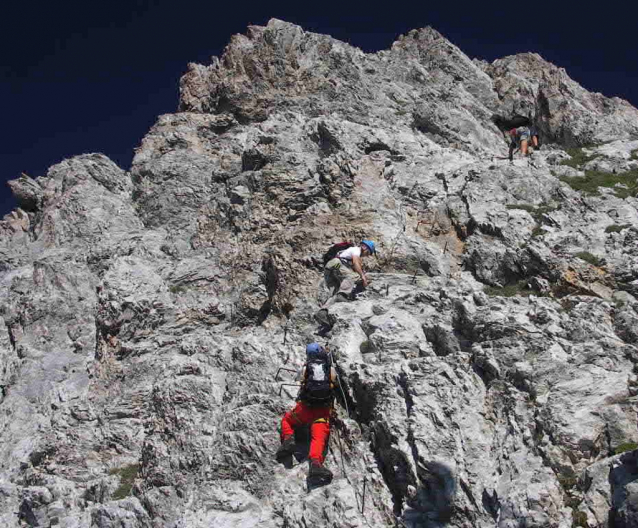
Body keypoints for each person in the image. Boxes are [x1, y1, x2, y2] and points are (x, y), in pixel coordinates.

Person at [275, 343, 338, 485]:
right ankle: (315, 464)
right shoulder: (330, 369)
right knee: (318, 439)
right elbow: (334, 385)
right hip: (322, 413)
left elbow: (301, 382)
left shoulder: (306, 368)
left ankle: (289, 439)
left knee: (287, 421)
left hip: (304, 409)